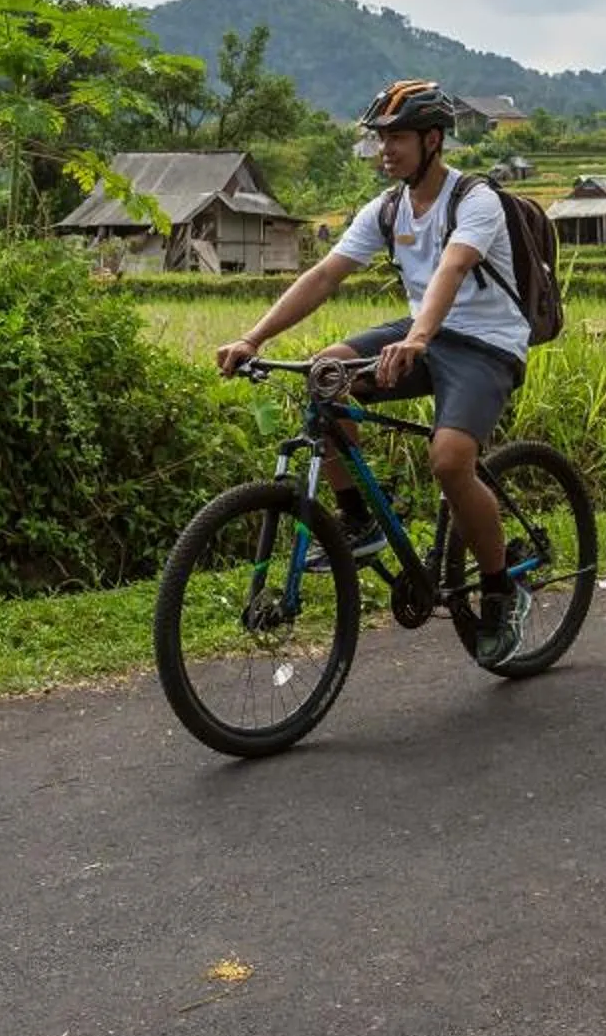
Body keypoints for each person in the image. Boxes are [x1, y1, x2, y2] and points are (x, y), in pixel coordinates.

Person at [216, 78, 532, 666]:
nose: (383, 150)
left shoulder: (476, 200)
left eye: (397, 139)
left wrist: (417, 337)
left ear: (432, 140)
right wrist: (252, 337)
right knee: (324, 375)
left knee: (449, 461)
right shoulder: (385, 208)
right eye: (379, 139)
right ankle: (360, 520)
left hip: (485, 344)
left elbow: (453, 269)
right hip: (422, 335)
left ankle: (499, 590)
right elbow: (323, 277)